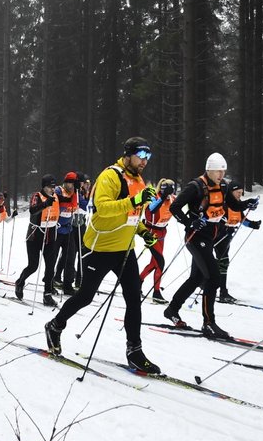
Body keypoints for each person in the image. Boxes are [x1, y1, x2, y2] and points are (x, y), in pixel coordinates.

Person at [44, 137, 160, 374]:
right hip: (99, 248)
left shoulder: (138, 180)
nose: (145, 161)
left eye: (148, 156)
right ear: (127, 154)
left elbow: (133, 215)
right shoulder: (110, 176)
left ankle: (134, 351)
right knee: (86, 295)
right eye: (141, 155)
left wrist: (143, 232)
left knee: (134, 298)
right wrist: (135, 200)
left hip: (124, 248)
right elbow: (103, 209)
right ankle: (55, 326)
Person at [163, 153, 253, 339]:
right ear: (209, 169)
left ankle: (172, 309)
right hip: (196, 237)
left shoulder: (222, 186)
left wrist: (246, 204)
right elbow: (175, 207)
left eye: (223, 171)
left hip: (209, 237)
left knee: (196, 278)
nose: (221, 174)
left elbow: (231, 204)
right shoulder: (195, 186)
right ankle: (209, 323)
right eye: (218, 171)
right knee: (212, 277)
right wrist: (189, 222)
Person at [14, 175, 62, 306]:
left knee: (50, 266)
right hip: (35, 236)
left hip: (50, 235)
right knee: (33, 265)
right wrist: (45, 204)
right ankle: (20, 282)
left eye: (53, 187)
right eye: (48, 187)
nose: (51, 190)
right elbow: (33, 210)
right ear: (43, 187)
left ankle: (47, 295)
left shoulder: (56, 196)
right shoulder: (37, 196)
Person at [216, 183, 262, 304]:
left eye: (241, 193)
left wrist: (253, 224)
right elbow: (216, 220)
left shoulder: (237, 206)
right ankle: (219, 290)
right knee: (219, 262)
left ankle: (220, 290)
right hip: (217, 237)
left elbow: (242, 219)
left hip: (226, 238)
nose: (239, 195)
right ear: (231, 192)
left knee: (222, 263)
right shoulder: (225, 205)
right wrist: (225, 227)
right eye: (237, 192)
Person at [139, 178, 176, 303]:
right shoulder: (154, 197)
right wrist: (163, 196)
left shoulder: (171, 198)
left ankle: (138, 281)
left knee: (155, 263)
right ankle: (156, 292)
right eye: (168, 189)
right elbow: (152, 209)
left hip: (162, 232)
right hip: (151, 232)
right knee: (160, 262)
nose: (170, 192)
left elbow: (180, 204)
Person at [54, 172, 81, 295]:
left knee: (70, 258)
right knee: (52, 258)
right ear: (66, 182)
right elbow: (56, 205)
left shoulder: (75, 194)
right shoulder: (58, 191)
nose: (71, 186)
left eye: (74, 183)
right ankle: (49, 283)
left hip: (68, 230)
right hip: (57, 230)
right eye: (70, 183)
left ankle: (68, 285)